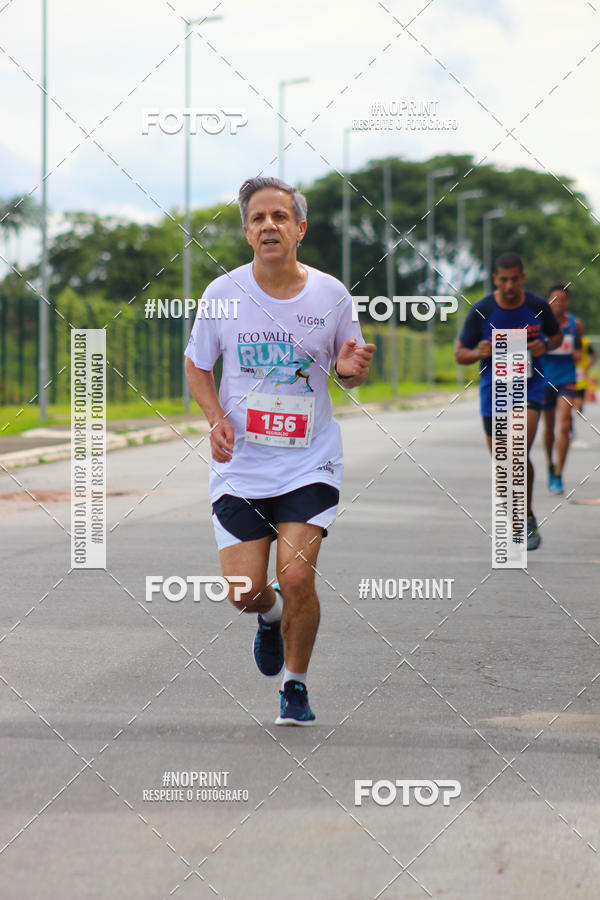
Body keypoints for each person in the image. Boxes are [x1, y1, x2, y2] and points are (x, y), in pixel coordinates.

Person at [184, 176, 375, 725]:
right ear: (247, 232)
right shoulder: (222, 295)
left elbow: (349, 366)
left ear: (300, 228)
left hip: (309, 459)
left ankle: (295, 684)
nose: (269, 225)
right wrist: (216, 418)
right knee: (246, 591)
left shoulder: (332, 295)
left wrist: (350, 370)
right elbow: (197, 364)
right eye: (258, 218)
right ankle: (268, 618)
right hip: (242, 464)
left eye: (280, 217)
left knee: (295, 577)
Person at [455, 252, 561, 551]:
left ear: (522, 278)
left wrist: (544, 345)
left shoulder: (538, 306)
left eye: (515, 279)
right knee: (503, 463)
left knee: (516, 450)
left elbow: (555, 336)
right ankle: (519, 520)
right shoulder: (482, 309)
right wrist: (478, 352)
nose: (510, 285)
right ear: (495, 280)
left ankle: (526, 520)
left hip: (529, 390)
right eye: (504, 280)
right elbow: (460, 353)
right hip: (494, 394)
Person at [542, 284, 582, 493]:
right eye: (554, 300)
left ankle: (558, 474)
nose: (558, 304)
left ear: (568, 302)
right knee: (549, 427)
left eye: (562, 300)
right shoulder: (540, 323)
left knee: (564, 424)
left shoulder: (576, 324)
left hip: (566, 379)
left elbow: (579, 350)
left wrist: (577, 354)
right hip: (544, 380)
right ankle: (550, 464)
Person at [572, 335, 597, 448]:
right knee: (570, 406)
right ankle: (570, 429)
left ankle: (575, 412)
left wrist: (587, 367)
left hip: (581, 377)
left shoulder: (585, 342)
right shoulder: (565, 338)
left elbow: (594, 355)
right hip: (566, 376)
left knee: (578, 405)